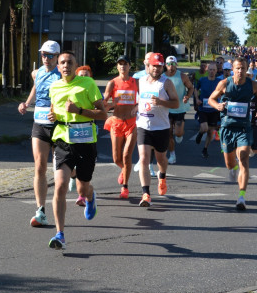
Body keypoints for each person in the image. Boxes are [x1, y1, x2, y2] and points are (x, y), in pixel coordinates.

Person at [46, 51, 107, 250]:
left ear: (76, 65)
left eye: (69, 62)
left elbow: (103, 114)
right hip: (63, 141)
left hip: (86, 141)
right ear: (58, 66)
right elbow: (54, 108)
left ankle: (90, 196)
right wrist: (52, 116)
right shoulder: (54, 86)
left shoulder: (87, 84)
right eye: (62, 62)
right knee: (60, 186)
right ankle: (60, 234)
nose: (66, 65)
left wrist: (79, 111)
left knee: (82, 188)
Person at [208, 58, 257, 211]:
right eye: (237, 68)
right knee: (230, 164)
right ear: (233, 70)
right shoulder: (224, 83)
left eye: (243, 68)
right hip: (228, 128)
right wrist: (217, 105)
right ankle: (233, 169)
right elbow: (211, 99)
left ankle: (241, 197)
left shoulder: (253, 85)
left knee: (243, 158)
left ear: (246, 69)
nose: (240, 71)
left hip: (244, 128)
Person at [18, 40, 62, 228]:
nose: (46, 58)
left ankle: (78, 178)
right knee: (40, 166)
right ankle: (41, 210)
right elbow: (36, 87)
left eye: (50, 55)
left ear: (57, 57)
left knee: (64, 168)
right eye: (43, 55)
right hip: (39, 123)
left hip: (59, 124)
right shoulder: (37, 73)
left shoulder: (63, 76)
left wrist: (60, 112)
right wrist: (27, 103)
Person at [135, 52, 179, 207]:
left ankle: (162, 176)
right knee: (144, 159)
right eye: (154, 66)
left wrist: (161, 102)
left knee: (161, 159)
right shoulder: (140, 81)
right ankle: (146, 194)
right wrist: (135, 108)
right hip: (143, 125)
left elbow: (176, 104)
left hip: (161, 127)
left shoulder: (166, 83)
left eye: (160, 66)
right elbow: (139, 99)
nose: (157, 69)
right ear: (148, 66)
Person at [103, 56, 138, 200]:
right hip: (117, 123)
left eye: (125, 64)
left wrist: (137, 106)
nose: (123, 66)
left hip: (132, 123)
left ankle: (125, 186)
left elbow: (143, 98)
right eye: (120, 64)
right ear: (117, 67)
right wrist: (112, 104)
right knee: (117, 158)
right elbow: (103, 105)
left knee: (126, 156)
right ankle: (124, 170)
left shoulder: (136, 83)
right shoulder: (112, 83)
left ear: (130, 66)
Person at [163, 56, 193, 165]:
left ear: (176, 65)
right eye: (169, 64)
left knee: (178, 133)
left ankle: (179, 135)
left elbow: (191, 87)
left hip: (179, 108)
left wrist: (187, 96)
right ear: (165, 65)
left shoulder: (182, 76)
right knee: (169, 133)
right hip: (167, 109)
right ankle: (172, 155)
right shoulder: (161, 77)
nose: (171, 66)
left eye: (173, 64)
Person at [194, 61, 223, 159]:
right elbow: (195, 89)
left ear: (216, 71)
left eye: (214, 70)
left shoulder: (219, 81)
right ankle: (200, 133)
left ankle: (205, 149)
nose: (212, 71)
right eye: (210, 69)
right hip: (203, 108)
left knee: (210, 132)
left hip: (214, 109)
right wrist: (197, 99)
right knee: (204, 128)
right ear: (207, 70)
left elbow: (223, 92)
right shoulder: (202, 80)